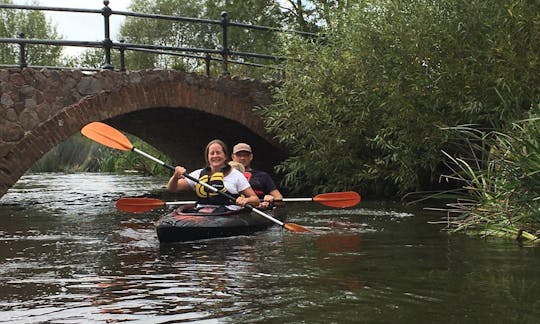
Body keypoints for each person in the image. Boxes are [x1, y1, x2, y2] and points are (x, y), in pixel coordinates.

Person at [167, 139, 260, 212]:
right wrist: (175, 176)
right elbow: (173, 188)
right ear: (207, 157)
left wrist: (245, 201)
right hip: (202, 213)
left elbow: (255, 200)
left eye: (218, 152)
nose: (215, 156)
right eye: (212, 153)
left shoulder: (236, 175)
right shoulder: (198, 174)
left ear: (225, 156)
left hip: (228, 213)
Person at [231, 142, 283, 207]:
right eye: (239, 155)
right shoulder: (226, 175)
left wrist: (272, 199)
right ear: (233, 157)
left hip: (258, 211)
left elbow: (279, 199)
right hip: (232, 212)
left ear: (251, 157)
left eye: (246, 155)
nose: (242, 158)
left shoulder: (263, 176)